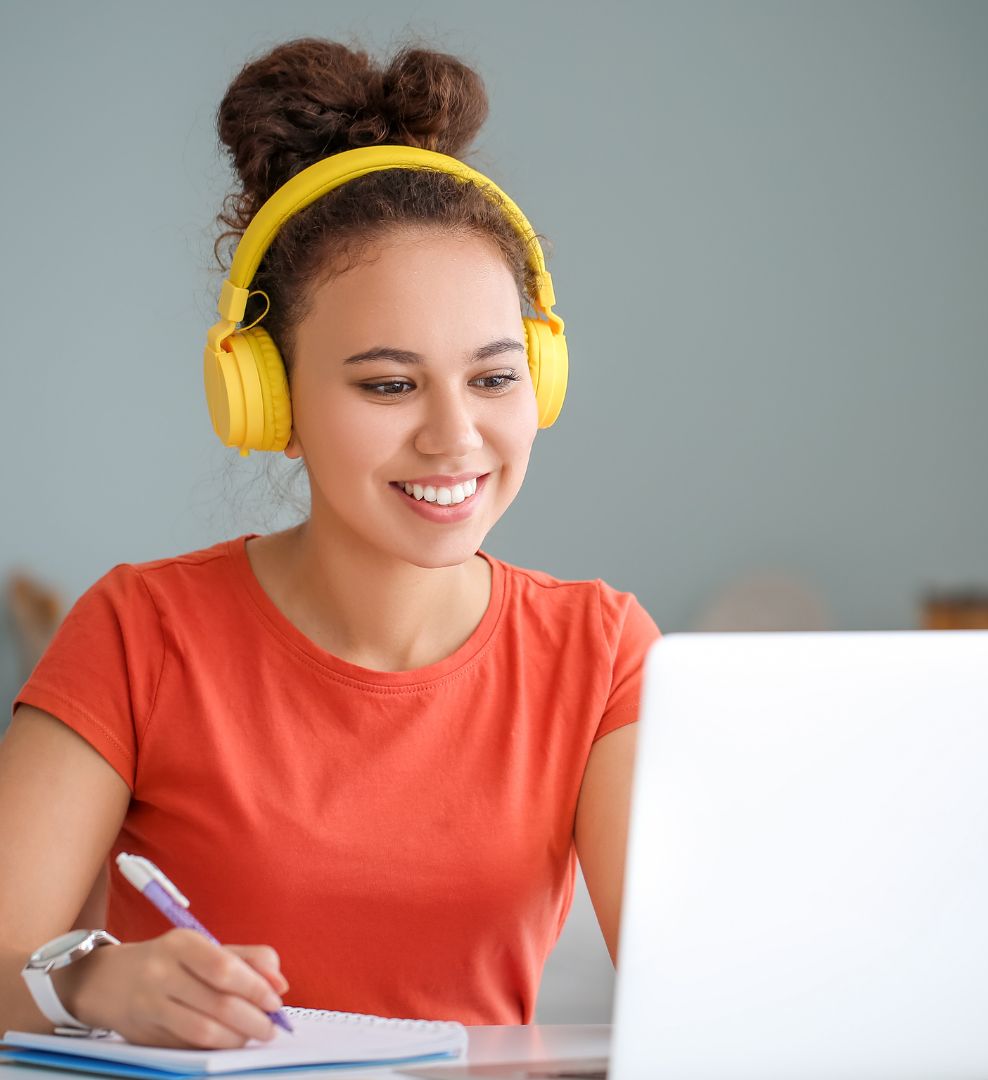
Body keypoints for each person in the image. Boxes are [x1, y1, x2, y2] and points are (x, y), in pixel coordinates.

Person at [0, 36, 660, 1049]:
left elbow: (706, 981)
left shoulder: (602, 652)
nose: (454, 437)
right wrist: (93, 985)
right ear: (266, 401)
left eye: (492, 377)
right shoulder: (139, 633)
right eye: (388, 384)